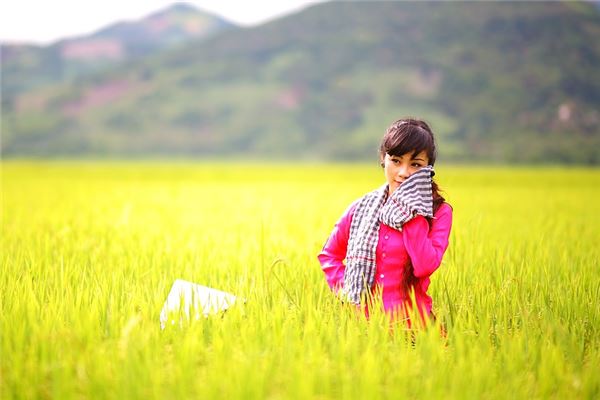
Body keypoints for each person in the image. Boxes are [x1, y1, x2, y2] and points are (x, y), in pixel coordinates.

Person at [318, 117, 453, 327]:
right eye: (396, 160)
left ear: (429, 169)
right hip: (363, 328)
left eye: (416, 164)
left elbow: (424, 266)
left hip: (414, 327)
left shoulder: (438, 212)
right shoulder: (361, 208)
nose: (404, 172)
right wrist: (349, 289)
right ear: (384, 158)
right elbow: (329, 255)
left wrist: (411, 212)